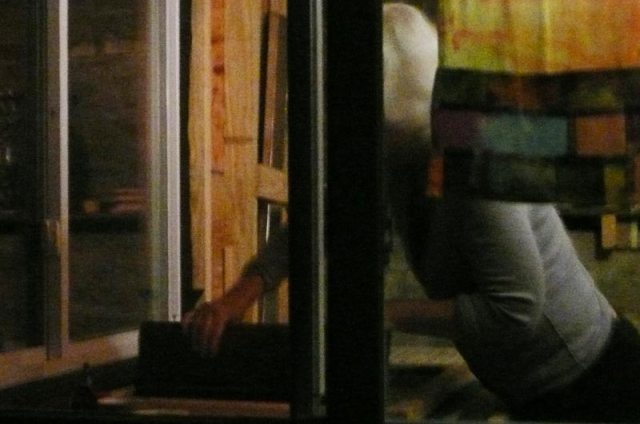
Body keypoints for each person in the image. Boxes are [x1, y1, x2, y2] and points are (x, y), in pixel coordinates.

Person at [183, 3, 640, 422]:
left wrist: (382, 313)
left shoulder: (475, 162)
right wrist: (235, 299)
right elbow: (323, 218)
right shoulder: (399, 150)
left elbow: (516, 310)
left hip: (597, 387)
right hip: (537, 388)